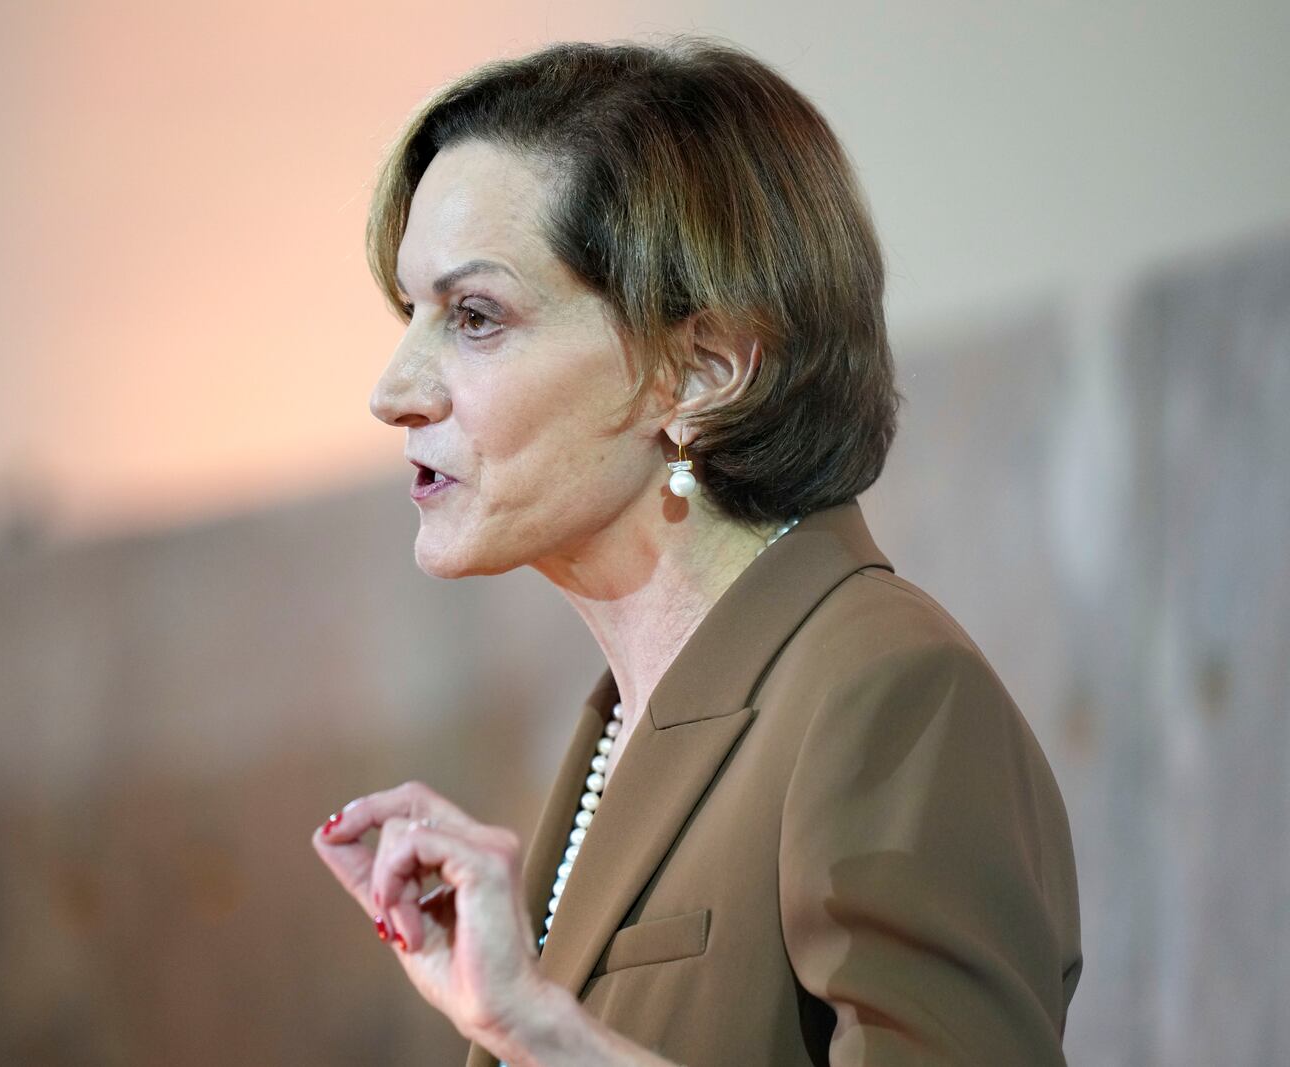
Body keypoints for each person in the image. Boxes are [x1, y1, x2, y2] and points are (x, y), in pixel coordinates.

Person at [311, 37, 1081, 1066]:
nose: (394, 388)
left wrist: (542, 1028)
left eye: (475, 316)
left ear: (702, 372)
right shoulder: (621, 720)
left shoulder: (889, 692)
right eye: (413, 311)